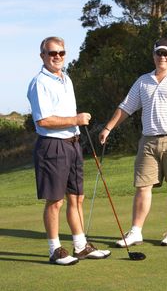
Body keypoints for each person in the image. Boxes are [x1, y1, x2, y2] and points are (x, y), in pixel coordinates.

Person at [99, 38, 167, 247]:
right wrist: (108, 128)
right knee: (142, 186)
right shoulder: (143, 81)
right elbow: (126, 108)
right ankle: (135, 232)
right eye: (159, 53)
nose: (163, 57)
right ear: (153, 55)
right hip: (148, 141)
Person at [27, 36, 110, 265]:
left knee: (77, 197)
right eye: (52, 53)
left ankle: (81, 246)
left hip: (73, 143)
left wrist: (76, 123)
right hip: (52, 146)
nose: (57, 57)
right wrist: (76, 118)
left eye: (61, 53)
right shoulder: (39, 83)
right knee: (55, 201)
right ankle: (55, 250)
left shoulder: (66, 79)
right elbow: (42, 120)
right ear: (42, 55)